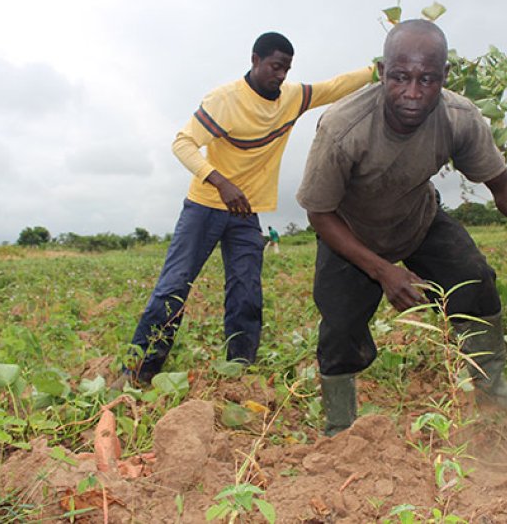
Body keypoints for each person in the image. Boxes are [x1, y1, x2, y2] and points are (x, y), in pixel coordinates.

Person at [296, 20, 507, 436]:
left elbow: (502, 183)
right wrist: (383, 271)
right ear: (382, 72)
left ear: (444, 78)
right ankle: (340, 428)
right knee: (340, 329)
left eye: (427, 79)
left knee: (476, 280)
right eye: (400, 78)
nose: (413, 93)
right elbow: (319, 214)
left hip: (417, 220)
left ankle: (493, 388)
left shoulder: (459, 118)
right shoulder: (343, 127)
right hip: (349, 232)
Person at [118, 32, 373, 387]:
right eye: (274, 66)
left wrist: (380, 68)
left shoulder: (292, 98)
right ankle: (137, 372)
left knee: (246, 291)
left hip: (244, 214)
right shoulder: (225, 100)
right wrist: (220, 181)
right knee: (174, 285)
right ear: (254, 60)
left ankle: (239, 371)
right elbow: (183, 143)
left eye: (286, 68)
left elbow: (335, 86)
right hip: (204, 207)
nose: (281, 75)